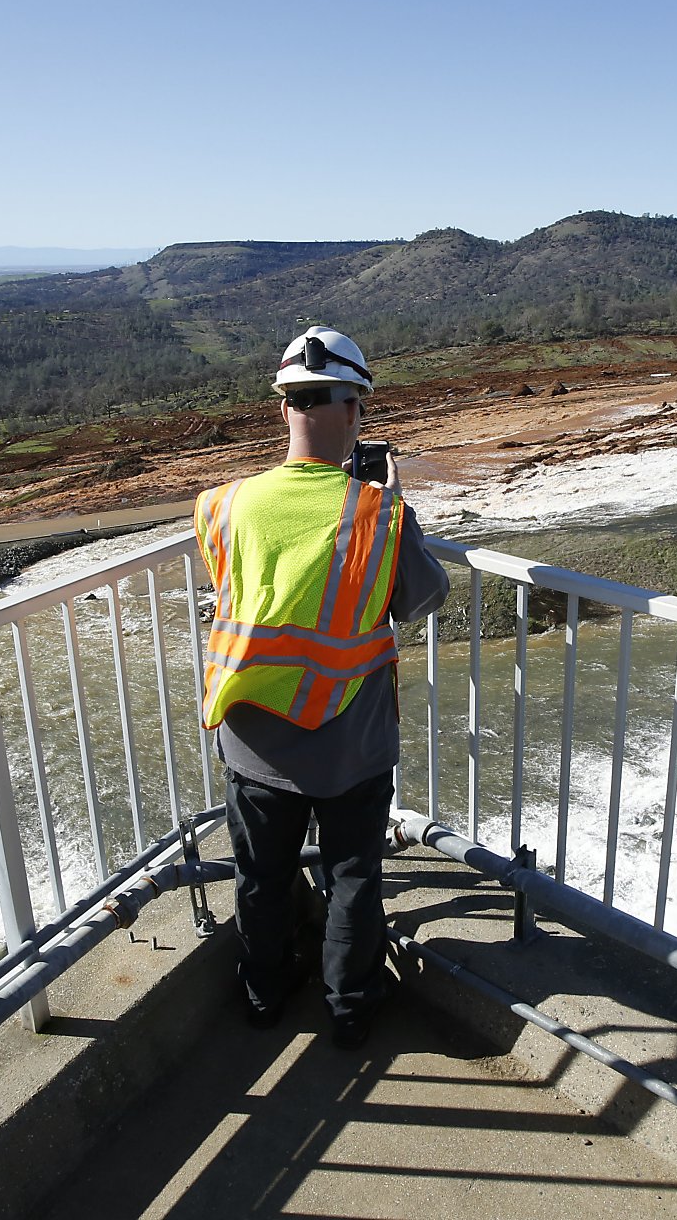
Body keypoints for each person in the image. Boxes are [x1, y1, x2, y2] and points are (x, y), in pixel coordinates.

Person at [192, 325, 450, 1049]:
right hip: (349, 742)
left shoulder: (220, 503)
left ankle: (266, 994)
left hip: (252, 736)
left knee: (261, 878)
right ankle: (349, 1008)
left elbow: (239, 586)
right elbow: (421, 601)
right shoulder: (380, 514)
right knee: (353, 878)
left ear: (284, 410)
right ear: (356, 410)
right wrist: (399, 515)